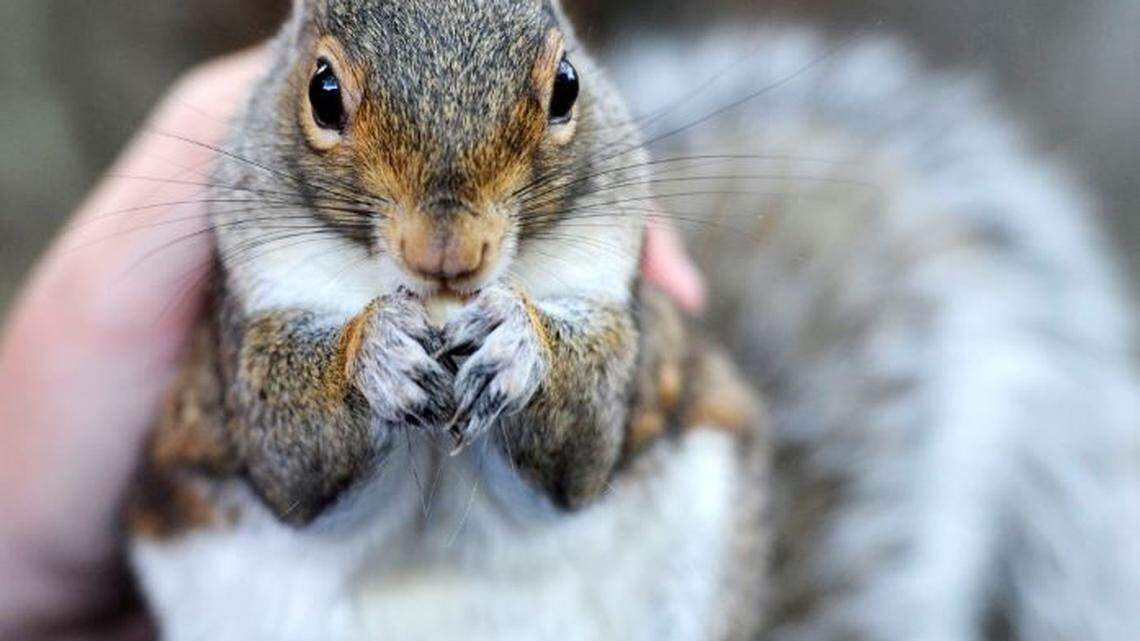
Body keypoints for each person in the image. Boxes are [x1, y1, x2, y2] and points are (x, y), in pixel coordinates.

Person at [0, 48, 708, 640]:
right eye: (329, 100)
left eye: (560, 96)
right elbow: (295, 482)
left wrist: (543, 350)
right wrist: (349, 363)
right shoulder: (266, 207)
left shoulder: (596, 191)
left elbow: (574, 472)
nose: (448, 249)